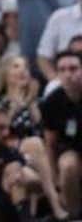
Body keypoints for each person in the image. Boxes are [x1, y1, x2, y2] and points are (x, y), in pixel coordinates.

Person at [41, 51, 82, 218]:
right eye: (62, 69)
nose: (68, 74)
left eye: (73, 68)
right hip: (73, 152)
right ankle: (75, 216)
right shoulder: (51, 102)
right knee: (67, 164)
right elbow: (50, 145)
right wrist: (55, 180)